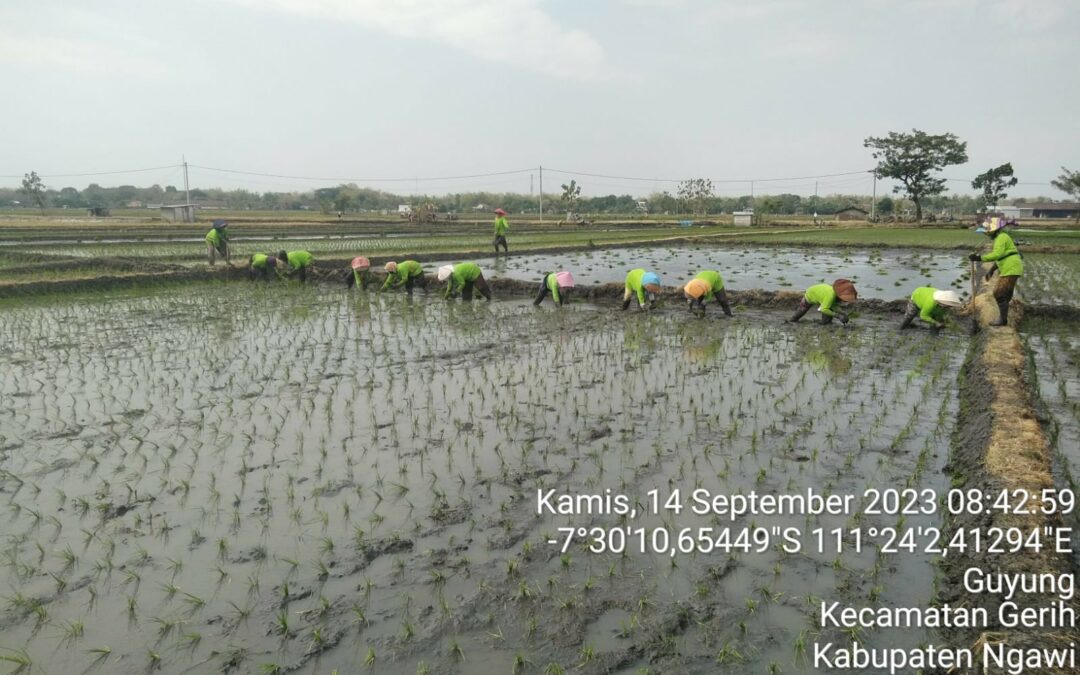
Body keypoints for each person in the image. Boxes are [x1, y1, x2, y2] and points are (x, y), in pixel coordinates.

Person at [969, 216, 1023, 326]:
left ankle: (1002, 320)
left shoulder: (1001, 237)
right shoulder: (1000, 238)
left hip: (1011, 268)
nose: (986, 234)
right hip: (1011, 267)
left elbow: (997, 255)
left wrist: (979, 258)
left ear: (992, 231)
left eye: (987, 232)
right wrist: (991, 270)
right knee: (1006, 294)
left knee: (998, 293)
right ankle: (1003, 318)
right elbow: (1002, 256)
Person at [788, 279, 857, 324]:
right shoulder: (831, 295)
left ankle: (824, 323)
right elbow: (823, 309)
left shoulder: (835, 295)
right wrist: (838, 316)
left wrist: (843, 313)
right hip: (810, 295)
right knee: (801, 312)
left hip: (821, 297)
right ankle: (791, 321)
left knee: (827, 321)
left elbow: (834, 306)